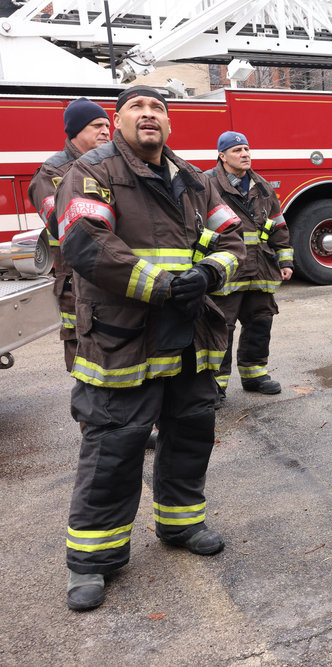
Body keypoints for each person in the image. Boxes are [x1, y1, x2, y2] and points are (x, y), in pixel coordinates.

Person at [54, 85, 245, 611]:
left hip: (187, 337)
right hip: (123, 338)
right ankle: (93, 559)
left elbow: (232, 240)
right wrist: (162, 285)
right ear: (116, 122)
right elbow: (88, 242)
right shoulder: (92, 172)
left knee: (190, 432)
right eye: (136, 107)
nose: (148, 115)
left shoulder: (192, 179)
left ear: (169, 123)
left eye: (158, 108)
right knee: (114, 444)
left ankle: (181, 523)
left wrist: (207, 273)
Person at [206, 131, 293, 404]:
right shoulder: (207, 185)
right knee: (221, 327)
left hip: (261, 269)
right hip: (226, 270)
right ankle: (214, 386)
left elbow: (278, 224)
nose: (244, 154)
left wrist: (285, 260)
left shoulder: (262, 186)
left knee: (260, 322)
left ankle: (254, 374)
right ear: (222, 156)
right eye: (237, 150)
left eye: (246, 149)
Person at [28, 98, 111, 371]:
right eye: (97, 125)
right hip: (75, 282)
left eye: (108, 125)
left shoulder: (110, 166)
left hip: (115, 274)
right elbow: (60, 222)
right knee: (83, 355)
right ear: (76, 131)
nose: (106, 131)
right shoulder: (51, 173)